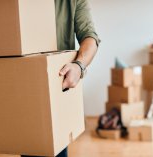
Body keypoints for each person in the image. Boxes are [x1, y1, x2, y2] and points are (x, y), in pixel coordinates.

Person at [21, 0, 100, 157]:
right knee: (28, 147)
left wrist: (79, 65)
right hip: (24, 85)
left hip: (57, 87)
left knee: (55, 149)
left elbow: (90, 37)